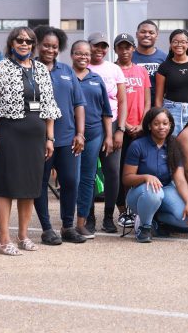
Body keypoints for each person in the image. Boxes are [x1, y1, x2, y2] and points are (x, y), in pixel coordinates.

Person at [0, 27, 61, 256]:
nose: (24, 44)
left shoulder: (41, 70)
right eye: (20, 40)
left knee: (30, 189)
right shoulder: (1, 68)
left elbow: (49, 107)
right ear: (12, 43)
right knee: (6, 188)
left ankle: (23, 235)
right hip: (9, 135)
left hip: (36, 138)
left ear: (33, 45)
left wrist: (50, 138)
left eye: (29, 41)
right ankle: (3, 238)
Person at [32, 26, 86, 246]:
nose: (50, 50)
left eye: (54, 47)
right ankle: (46, 229)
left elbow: (79, 104)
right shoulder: (30, 69)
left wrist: (80, 133)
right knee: (41, 184)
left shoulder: (66, 70)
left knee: (71, 182)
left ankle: (67, 226)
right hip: (38, 140)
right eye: (46, 45)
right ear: (38, 45)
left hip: (67, 139)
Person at [123, 108, 188, 243]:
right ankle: (144, 227)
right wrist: (146, 177)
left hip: (165, 188)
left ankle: (153, 219)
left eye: (165, 123)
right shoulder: (138, 145)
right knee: (155, 192)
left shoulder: (174, 145)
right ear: (149, 126)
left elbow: (180, 180)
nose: (161, 127)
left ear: (170, 125)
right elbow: (126, 178)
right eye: (156, 123)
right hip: (140, 193)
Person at [70, 41, 113, 239]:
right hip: (69, 135)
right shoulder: (65, 77)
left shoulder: (96, 79)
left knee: (88, 179)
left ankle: (82, 222)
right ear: (71, 55)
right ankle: (67, 221)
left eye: (86, 54)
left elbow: (106, 111)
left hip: (95, 134)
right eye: (79, 53)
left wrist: (109, 136)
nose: (83, 57)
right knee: (71, 178)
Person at [87, 32, 127, 234]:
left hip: (111, 125)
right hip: (89, 126)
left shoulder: (114, 69)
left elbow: (122, 101)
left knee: (112, 172)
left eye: (103, 46)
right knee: (89, 172)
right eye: (96, 46)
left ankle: (109, 217)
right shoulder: (82, 67)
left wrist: (120, 129)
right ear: (89, 46)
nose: (100, 50)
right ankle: (89, 216)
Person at [114, 32, 151, 230]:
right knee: (121, 171)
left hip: (141, 128)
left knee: (140, 169)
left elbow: (147, 101)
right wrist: (125, 126)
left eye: (128, 46)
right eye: (121, 47)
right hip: (121, 128)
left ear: (133, 49)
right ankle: (122, 211)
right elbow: (114, 101)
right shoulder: (112, 70)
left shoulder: (141, 71)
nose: (125, 50)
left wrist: (143, 124)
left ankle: (138, 209)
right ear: (116, 50)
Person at [132, 19, 167, 99]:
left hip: (158, 106)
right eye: (143, 32)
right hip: (136, 105)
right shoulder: (128, 57)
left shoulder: (164, 58)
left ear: (156, 36)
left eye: (151, 33)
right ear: (137, 34)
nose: (147, 35)